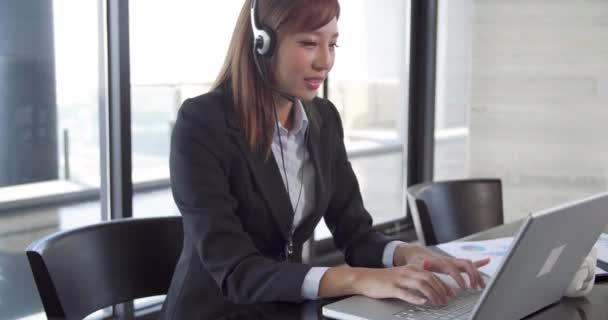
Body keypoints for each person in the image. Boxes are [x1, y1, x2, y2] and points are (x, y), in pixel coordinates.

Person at [160, 0, 489, 319]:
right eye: (308, 43)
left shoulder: (323, 120)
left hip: (288, 309)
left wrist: (408, 253)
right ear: (263, 43)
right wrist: (357, 279)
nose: (325, 61)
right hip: (215, 313)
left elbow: (356, 233)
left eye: (332, 44)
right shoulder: (203, 123)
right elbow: (236, 271)